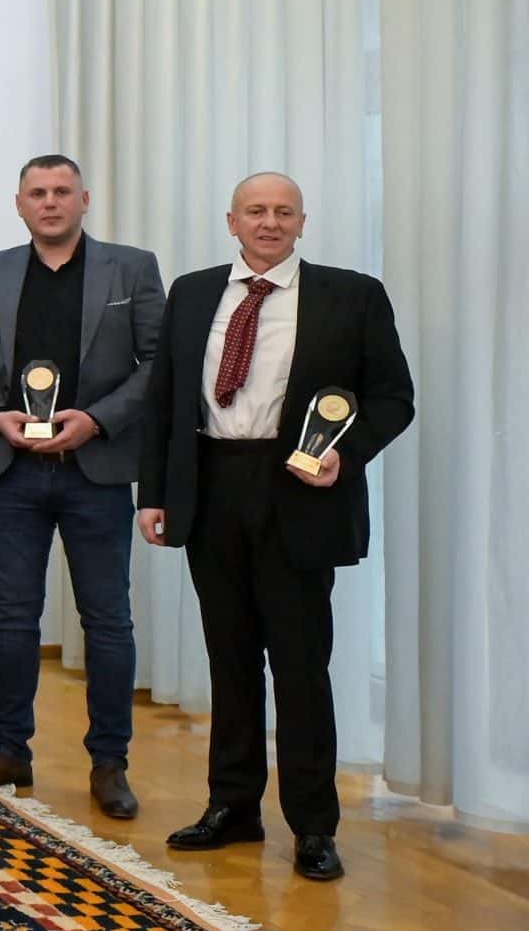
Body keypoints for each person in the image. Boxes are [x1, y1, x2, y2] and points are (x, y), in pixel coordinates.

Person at [140, 172, 413, 882]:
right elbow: (164, 400)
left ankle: (314, 825)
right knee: (229, 659)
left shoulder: (351, 295)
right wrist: (154, 494)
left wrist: (346, 456)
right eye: (256, 211)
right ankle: (233, 806)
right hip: (211, 487)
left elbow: (394, 397)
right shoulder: (193, 292)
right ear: (232, 221)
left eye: (283, 211)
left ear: (302, 222)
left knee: (299, 666)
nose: (270, 222)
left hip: (299, 491)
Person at [0, 155, 163, 819]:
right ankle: (9, 748)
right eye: (37, 192)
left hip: (96, 470)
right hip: (13, 470)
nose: (50, 202)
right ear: (20, 204)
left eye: (62, 191)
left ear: (83, 199)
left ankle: (110, 762)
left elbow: (159, 362)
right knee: (12, 616)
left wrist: (97, 420)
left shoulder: (132, 268)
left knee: (108, 620)